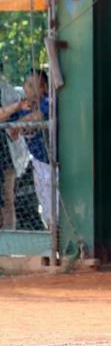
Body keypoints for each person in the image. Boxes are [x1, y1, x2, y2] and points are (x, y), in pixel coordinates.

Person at [0, 69, 53, 229]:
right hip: (39, 163)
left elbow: (39, 116)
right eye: (28, 85)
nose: (31, 89)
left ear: (44, 88)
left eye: (36, 86)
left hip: (54, 163)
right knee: (47, 206)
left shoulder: (48, 102)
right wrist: (17, 109)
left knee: (56, 205)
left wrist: (19, 124)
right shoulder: (23, 105)